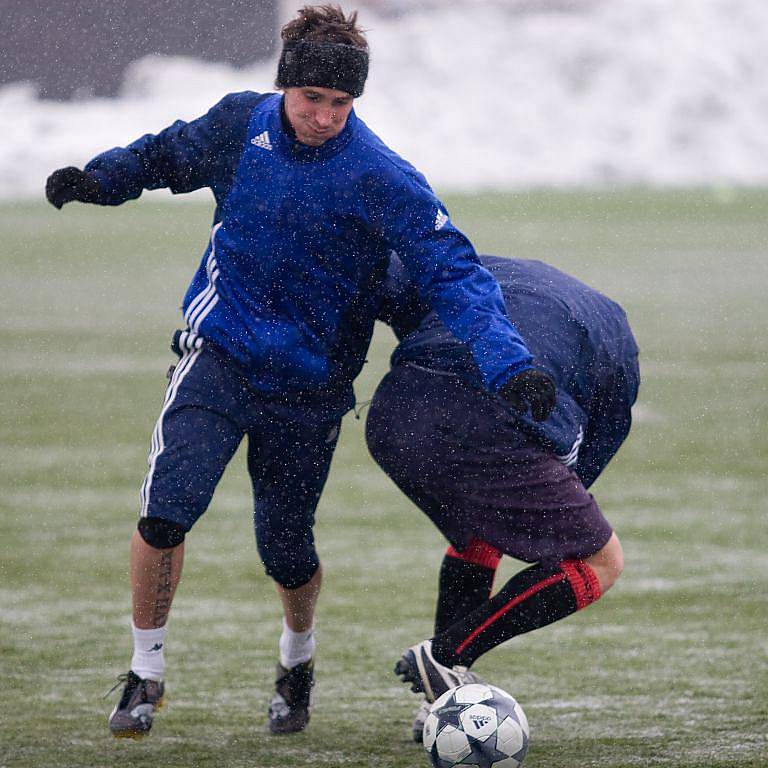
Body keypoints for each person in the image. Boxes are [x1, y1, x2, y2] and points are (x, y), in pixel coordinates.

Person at [45, 5, 557, 739]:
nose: (323, 116)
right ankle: (145, 672)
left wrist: (508, 363)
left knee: (285, 550)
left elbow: (455, 273)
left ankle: (297, 659)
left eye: (339, 103)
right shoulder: (237, 125)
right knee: (166, 509)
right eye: (310, 99)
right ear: (285, 87)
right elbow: (165, 155)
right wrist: (101, 180)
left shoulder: (380, 175)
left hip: (311, 388)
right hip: (217, 354)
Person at [366, 254, 639, 740]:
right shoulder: (615, 350)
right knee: (601, 560)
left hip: (394, 419)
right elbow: (584, 459)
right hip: (482, 421)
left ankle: (443, 701)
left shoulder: (479, 266)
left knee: (481, 533)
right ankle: (447, 656)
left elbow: (380, 289)